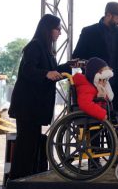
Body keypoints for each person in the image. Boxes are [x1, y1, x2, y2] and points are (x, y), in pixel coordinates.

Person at [8, 14, 73, 179]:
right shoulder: (35, 47)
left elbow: (52, 71)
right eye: (57, 29)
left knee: (32, 145)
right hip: (28, 106)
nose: (60, 33)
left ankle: (26, 177)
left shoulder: (47, 50)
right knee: (25, 146)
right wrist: (46, 73)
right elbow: (28, 71)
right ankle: (17, 180)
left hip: (35, 107)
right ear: (48, 29)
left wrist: (69, 66)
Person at [72, 1, 118, 115]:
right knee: (96, 123)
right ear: (108, 15)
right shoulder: (89, 32)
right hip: (95, 85)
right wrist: (94, 68)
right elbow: (76, 57)